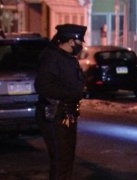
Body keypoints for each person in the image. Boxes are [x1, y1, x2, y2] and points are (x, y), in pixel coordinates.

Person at [34, 23, 87, 180]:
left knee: (66, 159)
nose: (81, 46)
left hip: (67, 114)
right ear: (71, 41)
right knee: (60, 160)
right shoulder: (52, 57)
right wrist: (71, 94)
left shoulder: (67, 58)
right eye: (79, 42)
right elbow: (43, 86)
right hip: (55, 114)